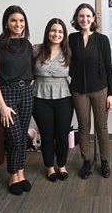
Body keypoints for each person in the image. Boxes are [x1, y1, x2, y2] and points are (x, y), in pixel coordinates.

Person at [0, 5, 34, 195]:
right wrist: (3, 106)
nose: (18, 24)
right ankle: (12, 176)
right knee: (13, 138)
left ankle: (21, 174)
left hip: (26, 94)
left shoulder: (27, 45)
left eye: (21, 21)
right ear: (6, 22)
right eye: (14, 20)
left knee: (22, 137)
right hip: (6, 94)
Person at [68, 3, 112, 179]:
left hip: (100, 90)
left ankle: (104, 161)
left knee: (102, 127)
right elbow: (59, 53)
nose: (84, 19)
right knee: (84, 127)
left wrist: (111, 94)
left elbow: (109, 68)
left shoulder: (102, 40)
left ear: (93, 18)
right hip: (79, 91)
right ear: (77, 19)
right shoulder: (72, 38)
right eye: (81, 16)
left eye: (88, 16)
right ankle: (86, 161)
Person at [32, 18, 73, 182]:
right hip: (40, 97)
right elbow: (26, 70)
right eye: (53, 30)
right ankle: (49, 167)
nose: (56, 34)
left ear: (64, 34)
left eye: (60, 31)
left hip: (64, 97)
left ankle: (62, 166)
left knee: (62, 135)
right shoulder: (36, 50)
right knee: (47, 135)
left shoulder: (69, 52)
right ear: (47, 32)